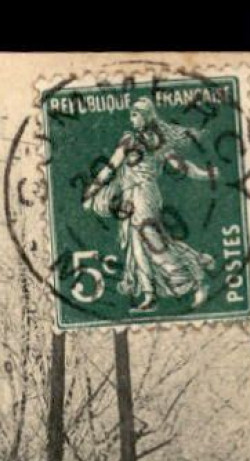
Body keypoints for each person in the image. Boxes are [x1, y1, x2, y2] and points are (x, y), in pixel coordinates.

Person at [81, 97, 218, 314]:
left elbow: (180, 166)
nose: (132, 119)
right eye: (131, 115)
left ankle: (197, 278)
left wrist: (204, 174)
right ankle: (149, 296)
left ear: (146, 116)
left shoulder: (157, 141)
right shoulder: (130, 139)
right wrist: (92, 190)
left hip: (145, 196)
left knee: (156, 244)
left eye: (136, 114)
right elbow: (111, 167)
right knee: (137, 248)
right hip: (130, 197)